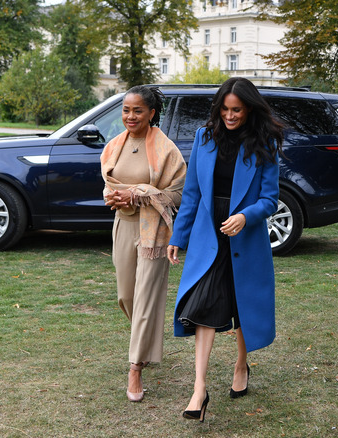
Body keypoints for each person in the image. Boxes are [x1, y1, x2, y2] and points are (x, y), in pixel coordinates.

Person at [166, 77, 283, 422]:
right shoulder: (204, 138)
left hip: (244, 235)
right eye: (225, 109)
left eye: (237, 110)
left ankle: (241, 364)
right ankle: (199, 388)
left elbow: (270, 199)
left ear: (248, 110)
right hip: (208, 233)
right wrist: (178, 236)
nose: (230, 116)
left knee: (242, 302)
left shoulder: (265, 144)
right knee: (203, 302)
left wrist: (246, 217)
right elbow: (192, 193)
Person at [100, 85, 186, 402]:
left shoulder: (167, 150)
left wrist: (139, 192)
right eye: (126, 109)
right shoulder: (113, 147)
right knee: (126, 296)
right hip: (124, 224)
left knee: (147, 296)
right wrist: (120, 196)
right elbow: (110, 186)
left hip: (155, 232)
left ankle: (135, 367)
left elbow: (177, 194)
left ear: (151, 113)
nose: (130, 116)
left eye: (137, 110)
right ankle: (145, 342)